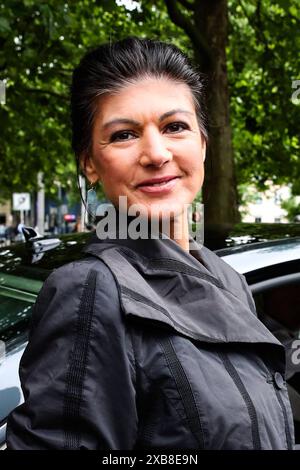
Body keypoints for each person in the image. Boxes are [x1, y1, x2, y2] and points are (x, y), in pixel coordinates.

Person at [6, 37, 294, 450]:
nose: (156, 153)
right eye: (124, 135)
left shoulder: (227, 278)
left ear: (203, 144)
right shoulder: (89, 290)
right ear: (89, 162)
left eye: (175, 127)